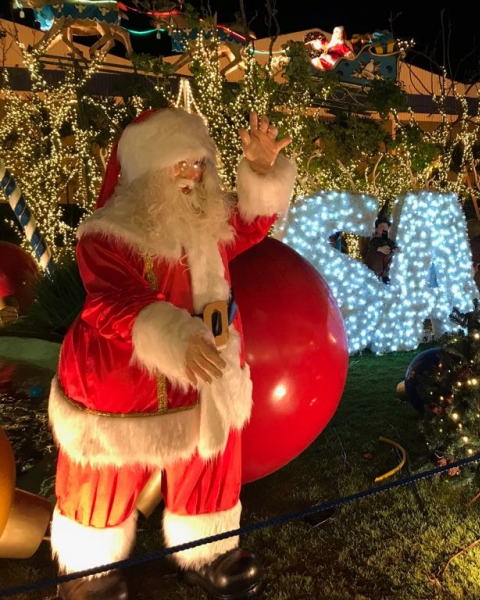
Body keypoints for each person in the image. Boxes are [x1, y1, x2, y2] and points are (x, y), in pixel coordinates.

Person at [48, 108, 296, 600]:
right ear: (144, 170)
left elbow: (251, 221)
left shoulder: (208, 221)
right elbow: (110, 300)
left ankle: (208, 551)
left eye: (197, 164)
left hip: (205, 369)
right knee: (104, 471)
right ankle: (87, 567)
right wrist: (171, 335)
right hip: (121, 380)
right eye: (178, 164)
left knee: (209, 457)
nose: (191, 175)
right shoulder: (105, 232)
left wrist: (263, 175)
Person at [363, 216, 399, 284]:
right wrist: (379, 249)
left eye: (385, 227)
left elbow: (392, 244)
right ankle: (374, 275)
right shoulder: (375, 239)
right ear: (376, 229)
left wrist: (395, 248)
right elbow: (371, 246)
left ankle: (385, 276)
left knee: (389, 259)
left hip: (385, 259)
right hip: (376, 260)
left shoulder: (388, 240)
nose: (384, 228)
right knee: (376, 261)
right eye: (381, 227)